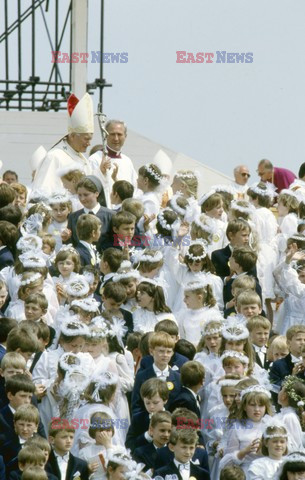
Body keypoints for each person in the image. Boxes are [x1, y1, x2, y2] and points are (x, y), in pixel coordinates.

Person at [32, 93, 95, 194]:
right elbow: (43, 191)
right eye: (86, 139)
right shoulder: (55, 156)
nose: (89, 143)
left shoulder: (84, 159)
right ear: (72, 136)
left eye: (90, 139)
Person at [89, 120, 138, 208]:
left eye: (119, 134)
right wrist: (100, 172)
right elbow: (90, 187)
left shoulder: (127, 161)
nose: (116, 138)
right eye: (112, 134)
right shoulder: (95, 159)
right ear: (105, 135)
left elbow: (135, 189)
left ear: (125, 136)